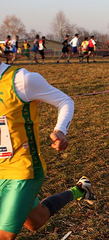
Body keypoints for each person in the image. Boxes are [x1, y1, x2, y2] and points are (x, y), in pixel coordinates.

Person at [0, 61, 96, 239]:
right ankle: (80, 190)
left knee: (4, 235)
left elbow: (65, 101)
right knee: (35, 221)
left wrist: (60, 130)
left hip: (22, 169)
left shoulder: (21, 80)